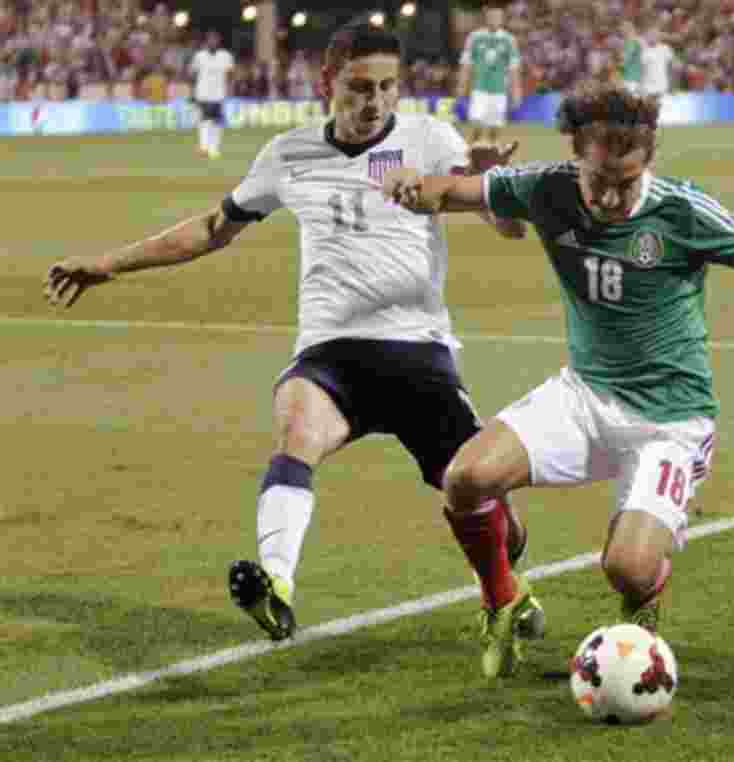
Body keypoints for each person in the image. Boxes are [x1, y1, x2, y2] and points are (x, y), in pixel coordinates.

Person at [43, 22, 542, 679]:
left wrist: (491, 181)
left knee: (496, 518)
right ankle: (276, 586)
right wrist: (110, 263)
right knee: (296, 428)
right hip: (331, 352)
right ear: (327, 83)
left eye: (387, 87)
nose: (375, 101)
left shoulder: (432, 139)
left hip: (418, 352)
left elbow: (508, 228)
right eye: (359, 87)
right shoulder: (288, 153)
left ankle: (502, 584)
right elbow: (214, 227)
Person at [381, 84, 734, 668]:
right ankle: (502, 601)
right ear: (576, 158)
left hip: (670, 420)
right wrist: (411, 185)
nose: (611, 197)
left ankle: (644, 596)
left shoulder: (682, 210)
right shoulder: (545, 186)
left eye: (626, 182)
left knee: (627, 567)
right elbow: (450, 191)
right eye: (599, 180)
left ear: (647, 163)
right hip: (584, 395)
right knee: (465, 478)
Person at [456, 4, 522, 145]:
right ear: (486, 18)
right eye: (492, 16)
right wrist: (461, 85)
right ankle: (474, 149)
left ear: (502, 19)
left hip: (499, 89)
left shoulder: (509, 40)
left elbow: (514, 68)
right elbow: (466, 64)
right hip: (479, 88)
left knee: (496, 127)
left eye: (497, 16)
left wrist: (516, 91)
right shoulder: (475, 37)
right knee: (477, 123)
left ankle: (492, 152)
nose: (494, 19)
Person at [190, 31, 234, 159]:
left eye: (215, 39)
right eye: (210, 39)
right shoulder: (199, 56)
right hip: (203, 93)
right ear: (206, 41)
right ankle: (204, 147)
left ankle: (214, 149)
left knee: (217, 122)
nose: (213, 42)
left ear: (219, 41)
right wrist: (192, 91)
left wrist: (230, 88)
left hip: (219, 94)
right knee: (204, 120)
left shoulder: (225, 56)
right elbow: (193, 74)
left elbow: (230, 73)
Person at [640, 26, 676, 98]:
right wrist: (641, 85)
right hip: (647, 86)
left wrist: (672, 85)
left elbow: (671, 67)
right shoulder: (644, 51)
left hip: (663, 85)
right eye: (649, 35)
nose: (652, 37)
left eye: (654, 35)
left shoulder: (666, 49)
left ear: (658, 36)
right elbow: (642, 70)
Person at [619, 20, 645, 94]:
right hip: (634, 78)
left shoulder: (632, 42)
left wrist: (619, 71)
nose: (621, 31)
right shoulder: (637, 41)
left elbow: (624, 60)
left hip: (631, 79)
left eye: (622, 29)